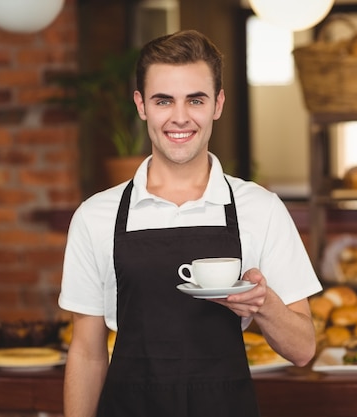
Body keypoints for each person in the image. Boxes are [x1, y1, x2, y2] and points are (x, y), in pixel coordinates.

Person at [58, 29, 322, 417]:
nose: (179, 117)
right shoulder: (96, 216)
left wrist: (263, 303)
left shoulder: (260, 208)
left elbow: (303, 350)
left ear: (217, 104)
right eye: (163, 100)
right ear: (141, 105)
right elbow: (87, 353)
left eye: (194, 100)